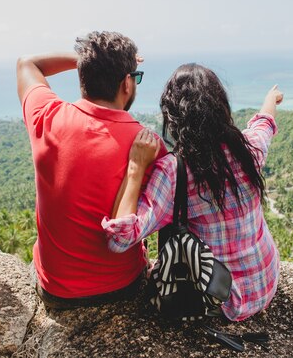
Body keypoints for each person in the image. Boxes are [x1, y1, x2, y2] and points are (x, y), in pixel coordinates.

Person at [102, 63, 283, 321]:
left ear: (174, 116)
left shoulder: (175, 172)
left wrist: (136, 167)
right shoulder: (248, 150)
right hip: (266, 283)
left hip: (223, 299)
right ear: (220, 106)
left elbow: (119, 240)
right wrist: (271, 100)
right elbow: (264, 125)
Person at [16, 31, 166, 309]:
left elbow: (27, 63)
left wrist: (89, 61)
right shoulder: (148, 145)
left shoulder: (48, 117)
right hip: (124, 285)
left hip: (55, 289)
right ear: (126, 84)